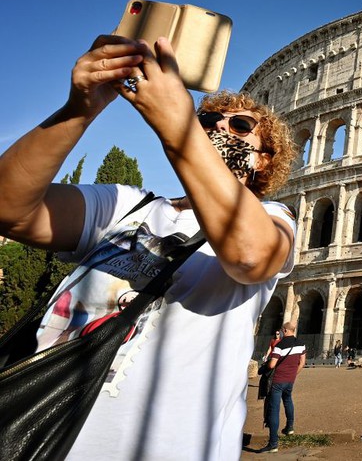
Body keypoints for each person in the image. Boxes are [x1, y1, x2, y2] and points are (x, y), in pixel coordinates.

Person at [0, 35, 297, 459]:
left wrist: (179, 128)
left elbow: (250, 255)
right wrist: (79, 108)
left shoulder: (274, 217)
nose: (217, 127)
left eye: (240, 126)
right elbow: (9, 208)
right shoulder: (126, 204)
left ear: (266, 159)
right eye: (208, 119)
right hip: (40, 435)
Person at [260, 322, 307, 453]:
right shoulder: (301, 343)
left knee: (274, 409)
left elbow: (271, 365)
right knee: (288, 400)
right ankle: (290, 427)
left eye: (282, 330)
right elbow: (302, 362)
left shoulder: (279, 345)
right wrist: (293, 374)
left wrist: (267, 363)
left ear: (285, 330)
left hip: (278, 380)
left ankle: (273, 443)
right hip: (290, 380)